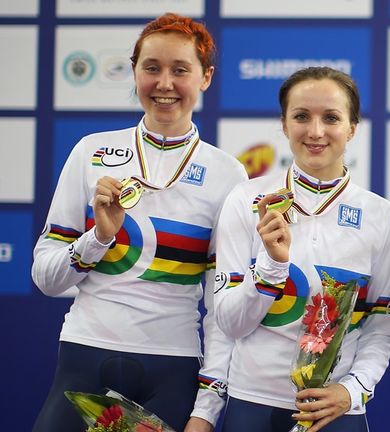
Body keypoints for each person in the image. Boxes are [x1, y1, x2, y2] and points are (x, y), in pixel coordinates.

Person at [30, 13, 247, 432]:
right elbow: (47, 279)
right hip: (84, 353)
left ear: (206, 78)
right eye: (152, 68)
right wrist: (98, 238)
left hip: (172, 366)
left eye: (180, 70)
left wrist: (206, 410)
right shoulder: (91, 152)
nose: (164, 84)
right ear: (134, 71)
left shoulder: (227, 174)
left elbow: (222, 310)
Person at [213, 66, 390, 432]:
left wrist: (354, 389)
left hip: (336, 413)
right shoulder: (247, 199)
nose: (315, 132)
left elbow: (383, 323)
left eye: (331, 118)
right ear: (283, 124)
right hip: (252, 405)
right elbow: (230, 323)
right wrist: (271, 265)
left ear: (352, 127)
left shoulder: (380, 215)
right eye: (301, 117)